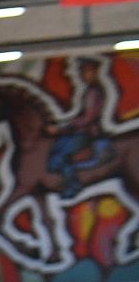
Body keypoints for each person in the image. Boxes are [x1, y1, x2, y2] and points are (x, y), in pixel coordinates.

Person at [48, 57, 110, 200]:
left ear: (95, 72)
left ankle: (73, 185)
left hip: (88, 133)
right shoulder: (89, 91)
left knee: (62, 154)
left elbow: (89, 117)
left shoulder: (95, 92)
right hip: (80, 130)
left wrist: (63, 128)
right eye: (83, 71)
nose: (84, 74)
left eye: (87, 71)